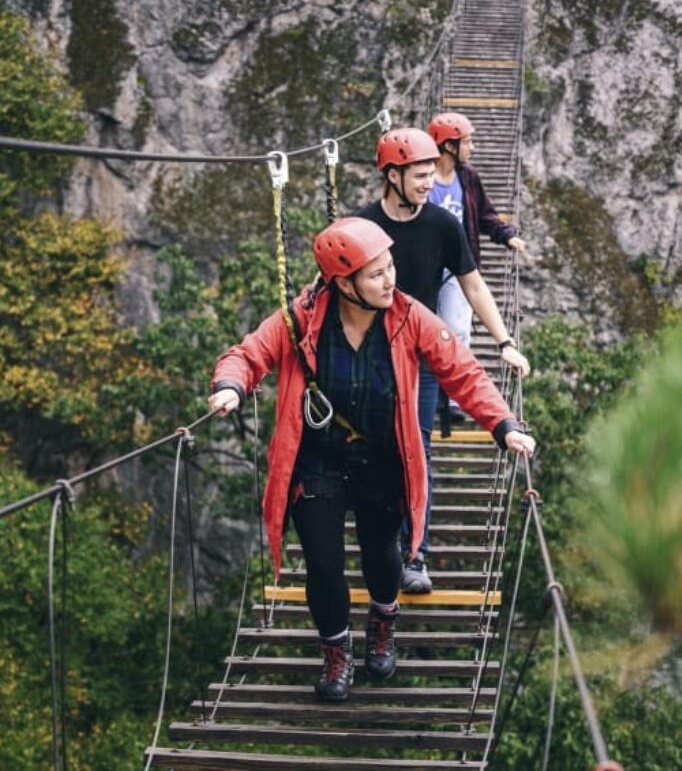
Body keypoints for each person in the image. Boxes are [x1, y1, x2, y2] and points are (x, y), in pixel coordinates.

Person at [208, 217, 535, 702]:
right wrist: (231, 386)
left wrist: (503, 424)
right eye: (376, 273)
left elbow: (462, 372)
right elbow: (249, 353)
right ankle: (336, 654)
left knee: (383, 556)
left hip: (383, 457)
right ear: (344, 283)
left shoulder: (409, 316)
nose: (390, 280)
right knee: (322, 564)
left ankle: (383, 620)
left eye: (390, 267)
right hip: (317, 461)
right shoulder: (301, 319)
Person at [354, 128, 530, 594]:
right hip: (369, 358)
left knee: (418, 450)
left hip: (424, 357)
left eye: (433, 174)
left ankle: (415, 556)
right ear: (393, 176)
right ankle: (378, 545)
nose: (429, 183)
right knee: (369, 453)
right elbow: (328, 288)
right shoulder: (362, 228)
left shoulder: (443, 226)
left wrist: (504, 341)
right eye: (420, 175)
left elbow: (473, 285)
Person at [426, 112, 528, 356]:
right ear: (450, 145)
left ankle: (453, 394)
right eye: (467, 141)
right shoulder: (422, 178)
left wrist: (506, 235)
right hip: (425, 266)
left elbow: (484, 214)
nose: (473, 147)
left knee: (458, 332)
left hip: (458, 266)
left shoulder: (467, 177)